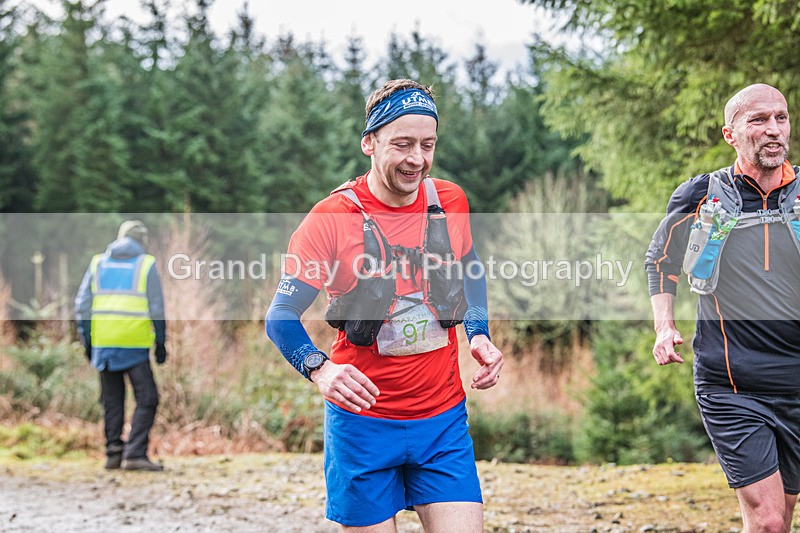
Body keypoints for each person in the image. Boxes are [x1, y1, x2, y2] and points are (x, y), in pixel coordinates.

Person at [265, 79, 503, 532]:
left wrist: (480, 334)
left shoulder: (450, 200)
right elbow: (280, 317)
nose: (417, 158)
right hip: (362, 427)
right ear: (368, 142)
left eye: (427, 145)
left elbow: (471, 269)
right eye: (402, 144)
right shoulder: (331, 218)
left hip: (442, 421)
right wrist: (321, 369)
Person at [646, 83, 800, 532]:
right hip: (732, 383)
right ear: (730, 134)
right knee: (770, 520)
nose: (773, 130)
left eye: (781, 118)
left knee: (783, 514)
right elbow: (660, 260)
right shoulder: (702, 195)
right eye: (758, 120)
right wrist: (663, 326)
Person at [75, 220, 167, 471]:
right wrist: (161, 342)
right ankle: (135, 453)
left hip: (104, 344)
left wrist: (88, 342)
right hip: (134, 344)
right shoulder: (146, 264)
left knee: (112, 400)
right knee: (148, 398)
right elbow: (157, 308)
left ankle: (114, 452)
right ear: (142, 241)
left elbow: (81, 306)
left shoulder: (98, 263)